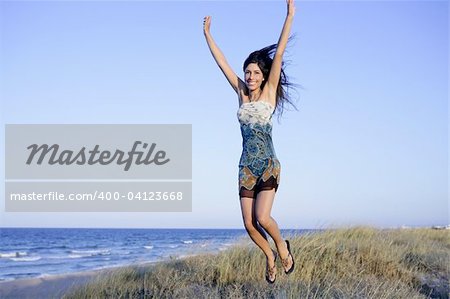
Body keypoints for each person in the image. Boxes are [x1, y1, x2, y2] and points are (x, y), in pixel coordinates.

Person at [203, 0, 296, 284]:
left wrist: (289, 14)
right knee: (248, 224)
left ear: (264, 75)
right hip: (246, 166)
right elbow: (222, 63)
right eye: (248, 72)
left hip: (268, 163)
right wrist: (208, 35)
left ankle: (282, 247)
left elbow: (279, 51)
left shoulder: (269, 93)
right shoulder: (241, 93)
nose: (250, 76)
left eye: (255, 72)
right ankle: (269, 256)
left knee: (264, 219)